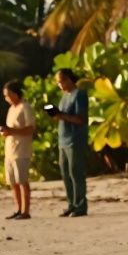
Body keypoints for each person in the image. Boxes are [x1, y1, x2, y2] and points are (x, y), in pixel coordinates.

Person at [50, 68, 89, 217]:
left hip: (75, 139)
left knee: (76, 173)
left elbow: (81, 119)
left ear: (69, 79)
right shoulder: (64, 96)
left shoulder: (79, 94)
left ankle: (80, 206)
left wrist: (62, 116)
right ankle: (71, 204)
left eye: (61, 81)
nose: (59, 85)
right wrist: (57, 115)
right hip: (63, 140)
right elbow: (64, 116)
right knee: (66, 174)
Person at [0, 80, 35, 220]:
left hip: (22, 150)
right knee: (13, 182)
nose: (6, 98)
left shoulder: (25, 107)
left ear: (15, 94)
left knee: (22, 181)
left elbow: (30, 128)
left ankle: (26, 211)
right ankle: (18, 209)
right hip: (10, 150)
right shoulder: (11, 109)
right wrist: (5, 132)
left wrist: (11, 131)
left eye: (8, 95)